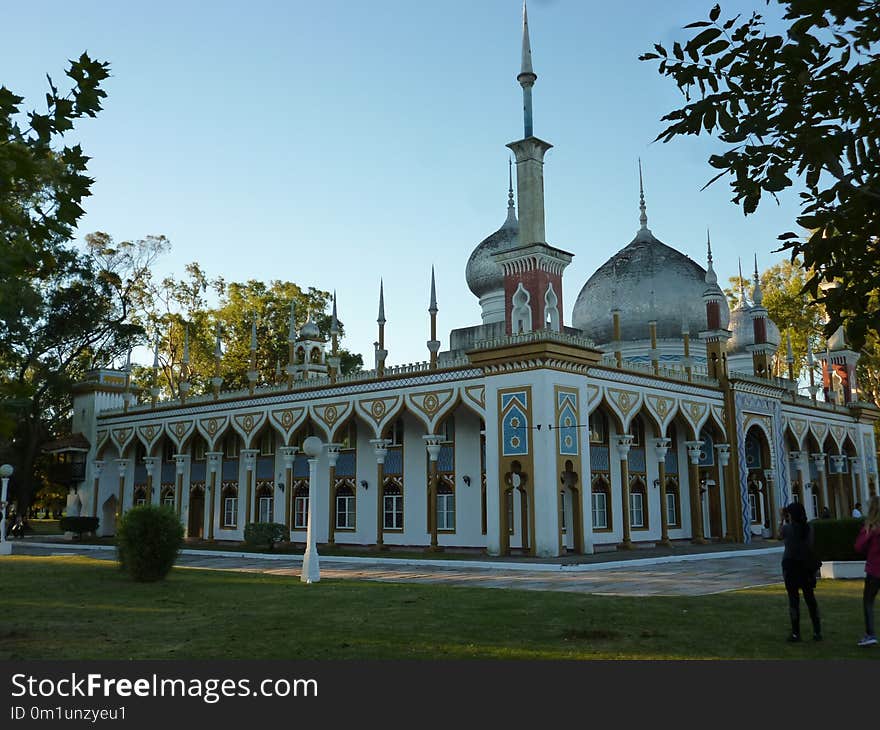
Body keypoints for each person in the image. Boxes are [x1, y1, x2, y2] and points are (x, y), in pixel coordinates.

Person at [781, 501, 822, 642]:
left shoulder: (787, 529)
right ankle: (817, 631)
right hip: (806, 567)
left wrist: (782, 518)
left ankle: (795, 633)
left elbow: (779, 534)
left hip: (791, 566)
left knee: (794, 601)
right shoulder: (809, 528)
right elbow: (811, 545)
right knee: (810, 599)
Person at [854, 495, 880, 647]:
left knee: (868, 602)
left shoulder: (871, 528)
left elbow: (858, 546)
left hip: (875, 571)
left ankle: (870, 634)